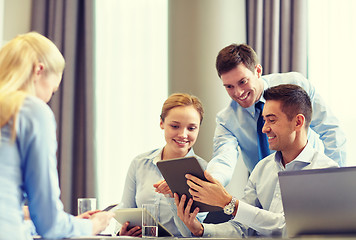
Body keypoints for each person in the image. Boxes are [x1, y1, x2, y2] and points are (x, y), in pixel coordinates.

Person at [174, 84, 339, 237]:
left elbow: (289, 229)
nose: (264, 128)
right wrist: (200, 229)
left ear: (298, 122)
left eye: (272, 120)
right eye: (264, 119)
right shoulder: (262, 168)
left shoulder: (326, 171)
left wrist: (229, 202)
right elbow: (242, 228)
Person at [0, 32, 113, 240]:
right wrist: (92, 226)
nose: (49, 99)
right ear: (38, 70)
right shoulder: (31, 109)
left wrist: (69, 221)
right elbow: (50, 226)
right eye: (52, 90)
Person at [207, 43, 346, 187]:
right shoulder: (227, 120)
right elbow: (223, 158)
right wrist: (212, 182)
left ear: (258, 71)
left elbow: (330, 130)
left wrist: (335, 180)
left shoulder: (296, 85)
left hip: (310, 180)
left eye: (243, 82)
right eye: (229, 87)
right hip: (266, 191)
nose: (238, 93)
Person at [116, 93, 208, 237]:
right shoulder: (140, 163)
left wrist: (172, 197)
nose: (183, 134)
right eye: (175, 126)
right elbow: (125, 210)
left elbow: (193, 233)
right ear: (161, 123)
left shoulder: (205, 171)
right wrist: (122, 232)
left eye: (191, 128)